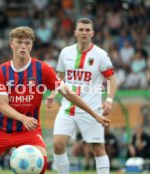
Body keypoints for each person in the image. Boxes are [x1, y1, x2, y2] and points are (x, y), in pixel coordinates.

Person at [0, 26, 110, 174]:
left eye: (27, 42)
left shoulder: (42, 69)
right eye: (19, 42)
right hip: (1, 129)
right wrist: (23, 118)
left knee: (40, 163)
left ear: (31, 46)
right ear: (11, 44)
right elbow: (3, 106)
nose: (23, 46)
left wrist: (94, 114)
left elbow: (69, 94)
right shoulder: (1, 71)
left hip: (29, 130)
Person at [47, 18, 117, 174]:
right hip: (67, 108)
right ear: (75, 32)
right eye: (81, 29)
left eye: (87, 30)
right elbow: (59, 77)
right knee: (58, 144)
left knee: (97, 148)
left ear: (92, 33)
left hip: (92, 109)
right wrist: (53, 94)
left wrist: (109, 100)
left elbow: (112, 79)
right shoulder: (65, 52)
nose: (84, 32)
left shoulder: (100, 55)